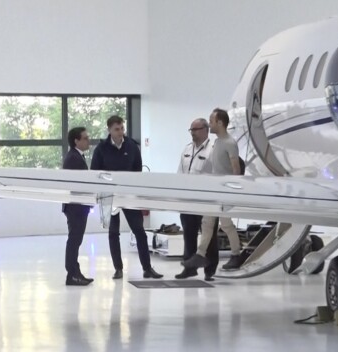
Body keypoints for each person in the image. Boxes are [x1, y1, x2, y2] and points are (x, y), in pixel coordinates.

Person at [91, 115, 163, 280]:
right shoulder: (101, 149)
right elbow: (94, 172)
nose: (120, 132)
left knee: (139, 231)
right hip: (108, 196)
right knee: (113, 232)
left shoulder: (131, 146)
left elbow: (138, 171)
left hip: (129, 195)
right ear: (109, 130)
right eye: (117, 129)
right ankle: (118, 269)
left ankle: (147, 268)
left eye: (122, 128)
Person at [182, 108, 244, 271]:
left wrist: (234, 192)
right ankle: (200, 255)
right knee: (207, 223)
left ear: (220, 123)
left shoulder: (230, 143)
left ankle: (237, 254)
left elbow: (236, 170)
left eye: (212, 121)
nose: (210, 124)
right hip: (214, 191)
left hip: (225, 192)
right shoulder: (217, 142)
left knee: (226, 224)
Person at [174, 118, 221, 281]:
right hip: (187, 200)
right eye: (191, 130)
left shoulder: (213, 151)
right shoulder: (187, 149)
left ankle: (210, 269)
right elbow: (180, 173)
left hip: (205, 201)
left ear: (205, 130)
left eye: (195, 129)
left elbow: (217, 175)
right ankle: (189, 268)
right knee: (189, 233)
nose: (192, 133)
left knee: (209, 235)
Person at [62, 127, 94, 286]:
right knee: (74, 240)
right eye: (85, 138)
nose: (88, 140)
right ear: (76, 141)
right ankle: (72, 274)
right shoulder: (73, 158)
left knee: (76, 240)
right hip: (76, 207)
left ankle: (75, 272)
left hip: (78, 206)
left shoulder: (76, 156)